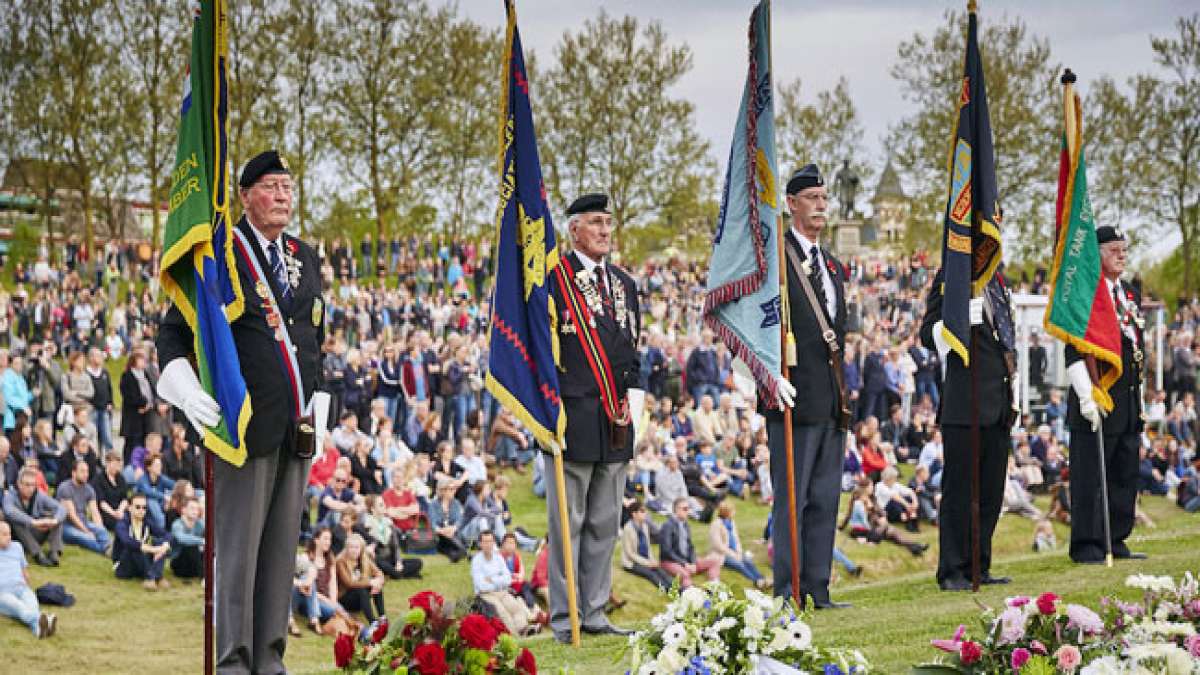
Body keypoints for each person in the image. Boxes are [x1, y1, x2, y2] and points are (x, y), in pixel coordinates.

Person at [156, 150, 326, 673]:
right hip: (243, 428)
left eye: (288, 187)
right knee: (238, 556)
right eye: (272, 186)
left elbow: (312, 333)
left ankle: (271, 658)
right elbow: (173, 331)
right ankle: (233, 661)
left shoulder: (304, 255)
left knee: (278, 555)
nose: (282, 196)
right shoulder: (220, 252)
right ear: (245, 194)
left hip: (295, 426)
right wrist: (184, 390)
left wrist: (320, 398)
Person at [544, 193, 641, 642]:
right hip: (572, 418)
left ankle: (596, 610)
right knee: (570, 524)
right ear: (574, 231)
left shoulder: (624, 283)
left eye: (608, 222)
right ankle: (566, 618)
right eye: (596, 223)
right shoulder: (551, 282)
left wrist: (634, 410)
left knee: (604, 522)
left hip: (615, 421)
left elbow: (633, 354)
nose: (605, 230)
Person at [766, 164, 848, 608]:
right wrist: (769, 376)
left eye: (824, 198)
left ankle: (818, 588)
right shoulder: (776, 262)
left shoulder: (832, 264)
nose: (821, 205)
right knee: (792, 503)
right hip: (792, 397)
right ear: (792, 204)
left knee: (824, 499)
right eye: (812, 198)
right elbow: (758, 327)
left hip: (832, 399)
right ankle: (787, 590)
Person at [920, 260, 1019, 591]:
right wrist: (957, 322)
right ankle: (953, 570)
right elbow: (927, 333)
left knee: (991, 492)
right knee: (961, 492)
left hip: (999, 402)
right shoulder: (952, 273)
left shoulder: (997, 279)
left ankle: (980, 564)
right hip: (966, 404)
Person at [1066, 226, 1147, 564]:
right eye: (1113, 250)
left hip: (1127, 398)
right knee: (1091, 476)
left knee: (1124, 472)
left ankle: (1116, 536)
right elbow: (1073, 349)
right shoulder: (1084, 294)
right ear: (1096, 255)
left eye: (1123, 250)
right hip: (1099, 394)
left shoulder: (1128, 294)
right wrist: (1087, 395)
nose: (1121, 255)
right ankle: (1087, 543)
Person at [471, 530, 538, 636]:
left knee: (516, 608)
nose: (488, 544)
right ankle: (515, 635)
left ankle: (523, 629)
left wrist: (492, 579)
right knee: (502, 612)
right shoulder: (477, 561)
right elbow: (481, 585)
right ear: (480, 544)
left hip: (502, 591)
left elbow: (507, 579)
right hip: (486, 594)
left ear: (494, 543)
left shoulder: (498, 558)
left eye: (490, 541)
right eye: (485, 542)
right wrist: (499, 579)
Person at [0, 521, 57, 639]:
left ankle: (38, 630)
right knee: (20, 607)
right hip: (3, 593)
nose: (9, 537)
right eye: (4, 534)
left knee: (32, 606)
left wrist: (27, 586)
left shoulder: (17, 547)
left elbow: (24, 570)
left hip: (21, 588)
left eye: (9, 534)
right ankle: (47, 622)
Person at [2, 467, 64, 566]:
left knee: (56, 517)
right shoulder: (10, 496)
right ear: (19, 484)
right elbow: (9, 512)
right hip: (17, 538)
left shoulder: (39, 495)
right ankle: (38, 555)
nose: (30, 488)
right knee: (16, 520)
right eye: (27, 485)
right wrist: (33, 522)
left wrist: (54, 521)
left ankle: (54, 552)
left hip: (35, 533)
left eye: (33, 485)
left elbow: (60, 508)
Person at [659, 497, 722, 589]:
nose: (688, 511)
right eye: (685, 509)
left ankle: (715, 587)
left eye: (688, 508)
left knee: (715, 561)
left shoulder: (686, 525)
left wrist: (692, 562)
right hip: (670, 561)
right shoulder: (667, 526)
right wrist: (684, 564)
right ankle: (691, 594)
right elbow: (666, 551)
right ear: (676, 510)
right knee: (685, 575)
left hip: (686, 560)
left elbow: (690, 546)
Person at [113, 493, 171, 590]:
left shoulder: (147, 522)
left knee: (160, 543)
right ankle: (153, 577)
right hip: (124, 566)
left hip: (141, 560)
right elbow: (127, 541)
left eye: (144, 508)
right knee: (135, 547)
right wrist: (153, 550)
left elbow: (166, 534)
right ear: (130, 508)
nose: (141, 510)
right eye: (138, 507)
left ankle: (154, 576)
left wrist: (164, 547)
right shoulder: (122, 523)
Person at [56, 459, 111, 556]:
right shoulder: (65, 488)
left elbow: (95, 512)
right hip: (66, 525)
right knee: (84, 537)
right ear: (73, 473)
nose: (86, 474)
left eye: (87, 471)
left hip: (84, 522)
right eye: (82, 471)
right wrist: (86, 532)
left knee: (102, 531)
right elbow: (72, 516)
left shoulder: (89, 489)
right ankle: (106, 550)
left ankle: (109, 547)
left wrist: (99, 527)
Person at [709, 500, 768, 589]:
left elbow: (736, 539)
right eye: (733, 511)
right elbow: (719, 546)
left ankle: (761, 578)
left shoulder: (731, 522)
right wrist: (733, 554)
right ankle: (756, 581)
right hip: (723, 554)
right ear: (726, 512)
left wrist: (739, 551)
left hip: (735, 551)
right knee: (739, 565)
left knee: (748, 561)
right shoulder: (716, 525)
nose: (735, 512)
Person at [619, 500, 672, 591]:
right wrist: (647, 563)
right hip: (632, 563)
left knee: (660, 570)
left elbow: (648, 546)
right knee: (650, 573)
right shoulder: (628, 529)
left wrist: (652, 560)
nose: (645, 513)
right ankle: (666, 589)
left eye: (645, 511)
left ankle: (676, 587)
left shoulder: (644, 526)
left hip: (645, 558)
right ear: (634, 514)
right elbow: (630, 554)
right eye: (642, 511)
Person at [335, 533, 386, 624]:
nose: (354, 550)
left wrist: (378, 582)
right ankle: (373, 622)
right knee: (362, 589)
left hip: (361, 600)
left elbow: (379, 573)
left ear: (361, 549)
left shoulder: (364, 558)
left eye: (356, 547)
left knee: (377, 586)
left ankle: (382, 617)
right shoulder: (340, 561)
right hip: (344, 599)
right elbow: (349, 583)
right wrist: (370, 582)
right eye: (351, 547)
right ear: (346, 548)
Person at [118, 348, 154, 458]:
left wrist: (149, 404)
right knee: (132, 444)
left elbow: (151, 390)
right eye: (141, 359)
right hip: (133, 416)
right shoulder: (127, 375)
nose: (144, 361)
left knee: (143, 442)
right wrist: (143, 403)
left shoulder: (145, 374)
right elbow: (129, 396)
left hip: (145, 415)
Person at [92, 449, 129, 532]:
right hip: (106, 511)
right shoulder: (98, 479)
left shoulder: (120, 478)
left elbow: (124, 498)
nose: (117, 467)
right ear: (107, 463)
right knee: (119, 524)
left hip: (120, 510)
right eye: (115, 464)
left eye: (119, 464)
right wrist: (114, 513)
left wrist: (120, 510)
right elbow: (101, 502)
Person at [170, 496, 205, 580]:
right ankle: (204, 577)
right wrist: (202, 541)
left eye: (197, 509)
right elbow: (182, 538)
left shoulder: (199, 523)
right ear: (184, 510)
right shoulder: (177, 524)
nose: (195, 512)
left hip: (194, 562)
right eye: (192, 508)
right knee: (191, 546)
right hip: (179, 563)